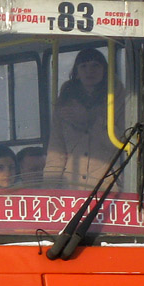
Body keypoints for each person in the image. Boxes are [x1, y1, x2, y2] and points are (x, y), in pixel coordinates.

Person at [44, 48, 122, 187]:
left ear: (105, 71)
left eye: (95, 65)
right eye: (83, 66)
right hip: (72, 187)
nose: (89, 71)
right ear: (76, 72)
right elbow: (56, 151)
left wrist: (90, 120)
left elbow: (122, 145)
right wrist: (49, 192)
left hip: (108, 186)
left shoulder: (120, 100)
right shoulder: (64, 103)